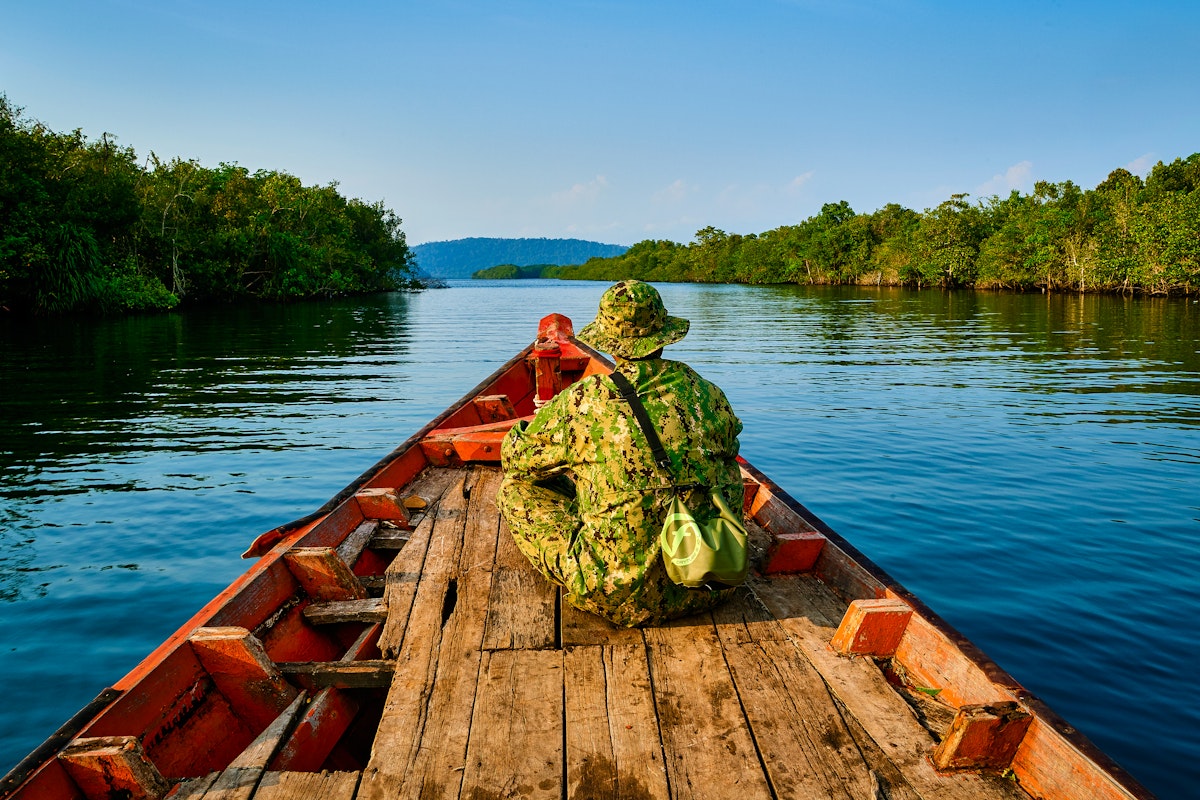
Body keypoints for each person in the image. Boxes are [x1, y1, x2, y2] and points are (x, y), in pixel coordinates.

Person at [498, 280, 744, 627]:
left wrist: (542, 426)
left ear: (609, 342)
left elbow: (517, 462)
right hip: (712, 579)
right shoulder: (707, 392)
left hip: (616, 595)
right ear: (663, 335)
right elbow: (730, 451)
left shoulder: (583, 401)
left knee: (515, 489)